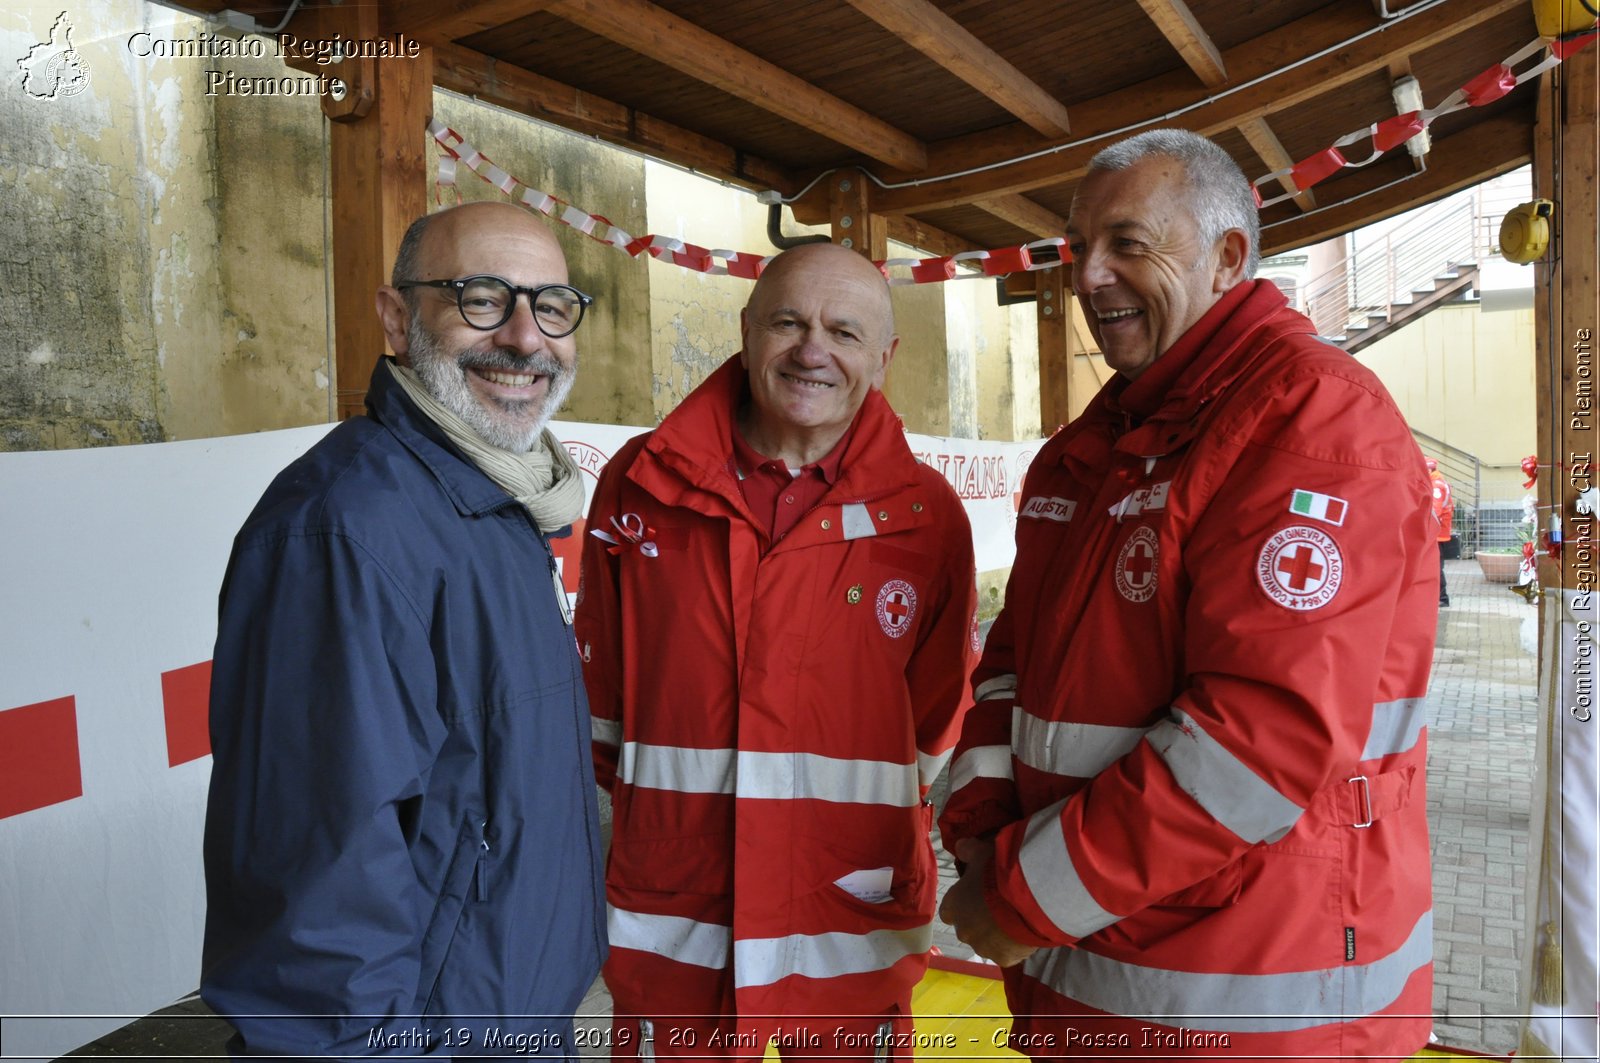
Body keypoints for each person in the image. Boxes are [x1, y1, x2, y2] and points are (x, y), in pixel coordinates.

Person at [937, 129, 1438, 1060]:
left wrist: (1017, 893)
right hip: (1076, 973)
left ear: (1229, 258)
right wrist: (978, 838)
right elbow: (1010, 668)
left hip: (1250, 1002)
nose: (1088, 275)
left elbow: (1256, 740)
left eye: (1128, 243)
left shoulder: (1312, 417)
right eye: (1076, 247)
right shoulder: (1088, 447)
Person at [201, 201, 606, 1057]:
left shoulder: (492, 500)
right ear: (395, 315)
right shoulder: (345, 528)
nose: (527, 339)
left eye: (552, 306)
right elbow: (317, 905)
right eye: (481, 297)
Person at [575, 242, 978, 1060]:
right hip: (676, 904)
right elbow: (604, 705)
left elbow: (937, 725)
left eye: (844, 331)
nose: (812, 351)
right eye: (788, 322)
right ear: (748, 329)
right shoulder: (641, 481)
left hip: (846, 905)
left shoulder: (928, 516)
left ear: (886, 356)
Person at [1429, 458, 1454, 605]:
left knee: (1435, 567)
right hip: (1440, 533)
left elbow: (1434, 511)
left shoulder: (1436, 486)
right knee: (1436, 567)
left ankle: (1442, 598)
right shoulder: (1439, 483)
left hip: (1437, 534)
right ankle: (1440, 597)